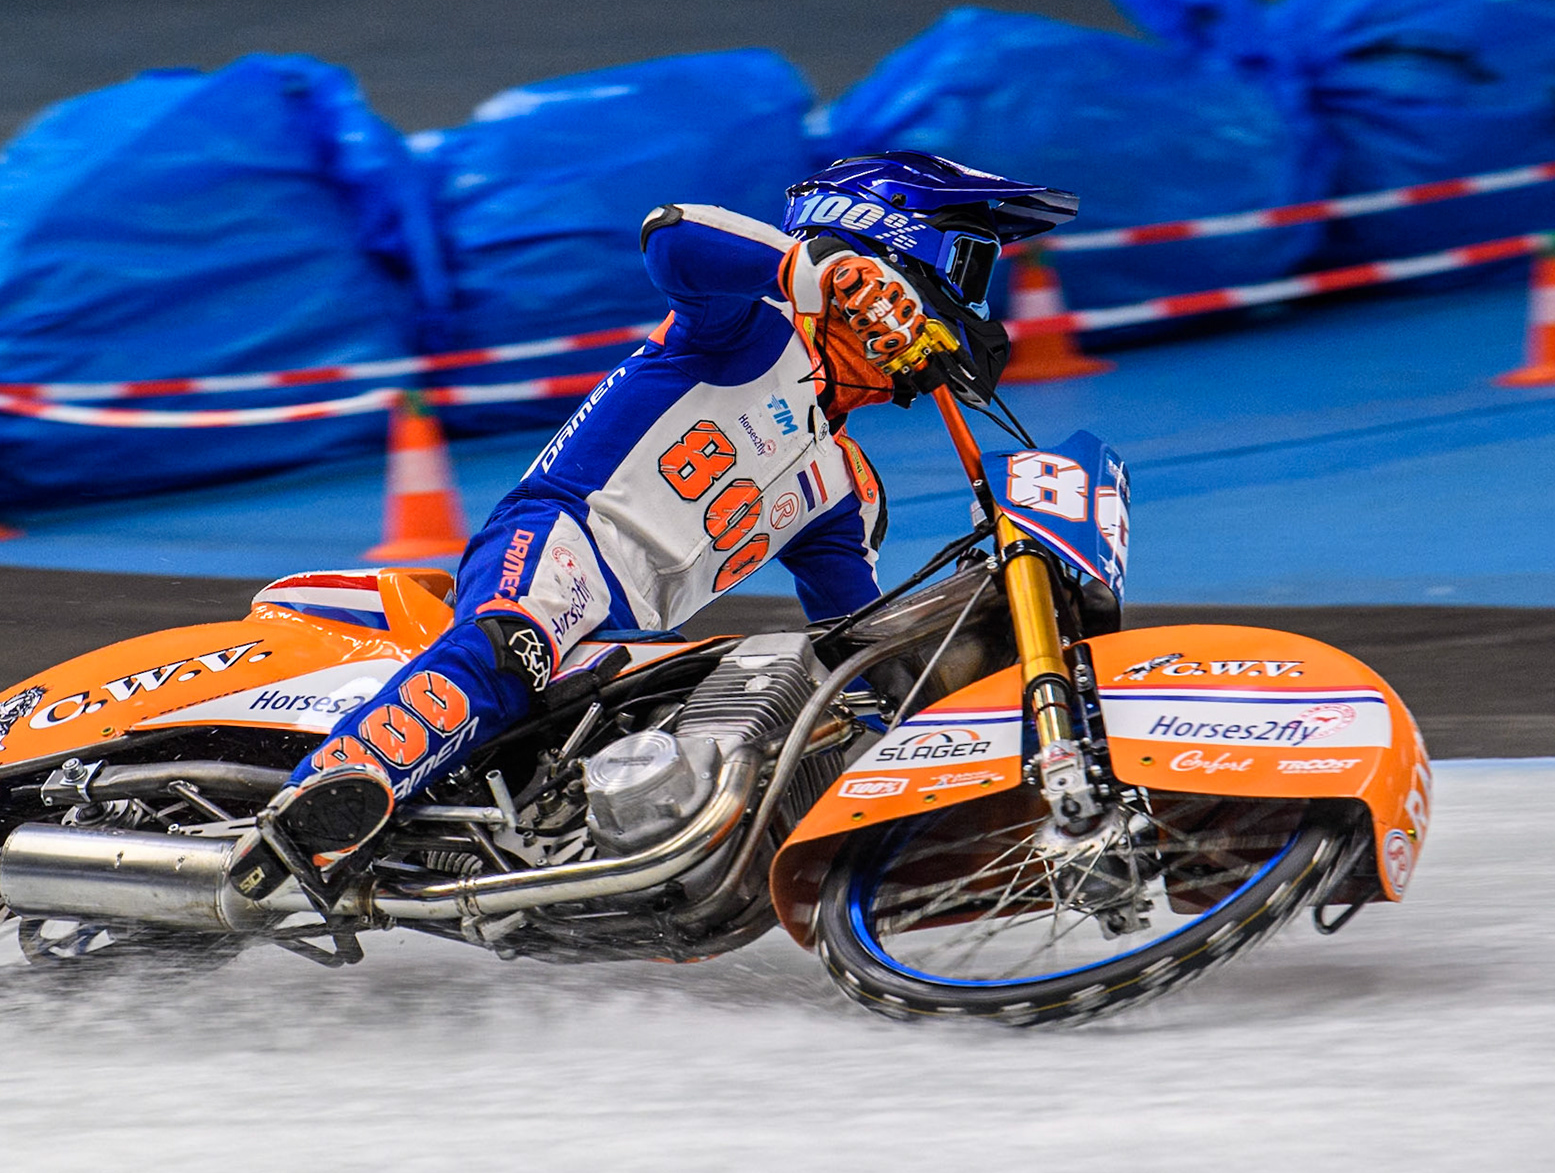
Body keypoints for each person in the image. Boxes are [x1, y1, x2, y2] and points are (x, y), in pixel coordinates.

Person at [239, 150, 1079, 889]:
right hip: (559, 541)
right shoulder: (746, 328)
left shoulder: (845, 485)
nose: (978, 307)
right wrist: (813, 271)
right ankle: (322, 796)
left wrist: (914, 721)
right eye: (968, 269)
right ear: (896, 243)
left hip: (630, 639)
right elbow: (671, 232)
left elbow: (854, 639)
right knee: (511, 646)